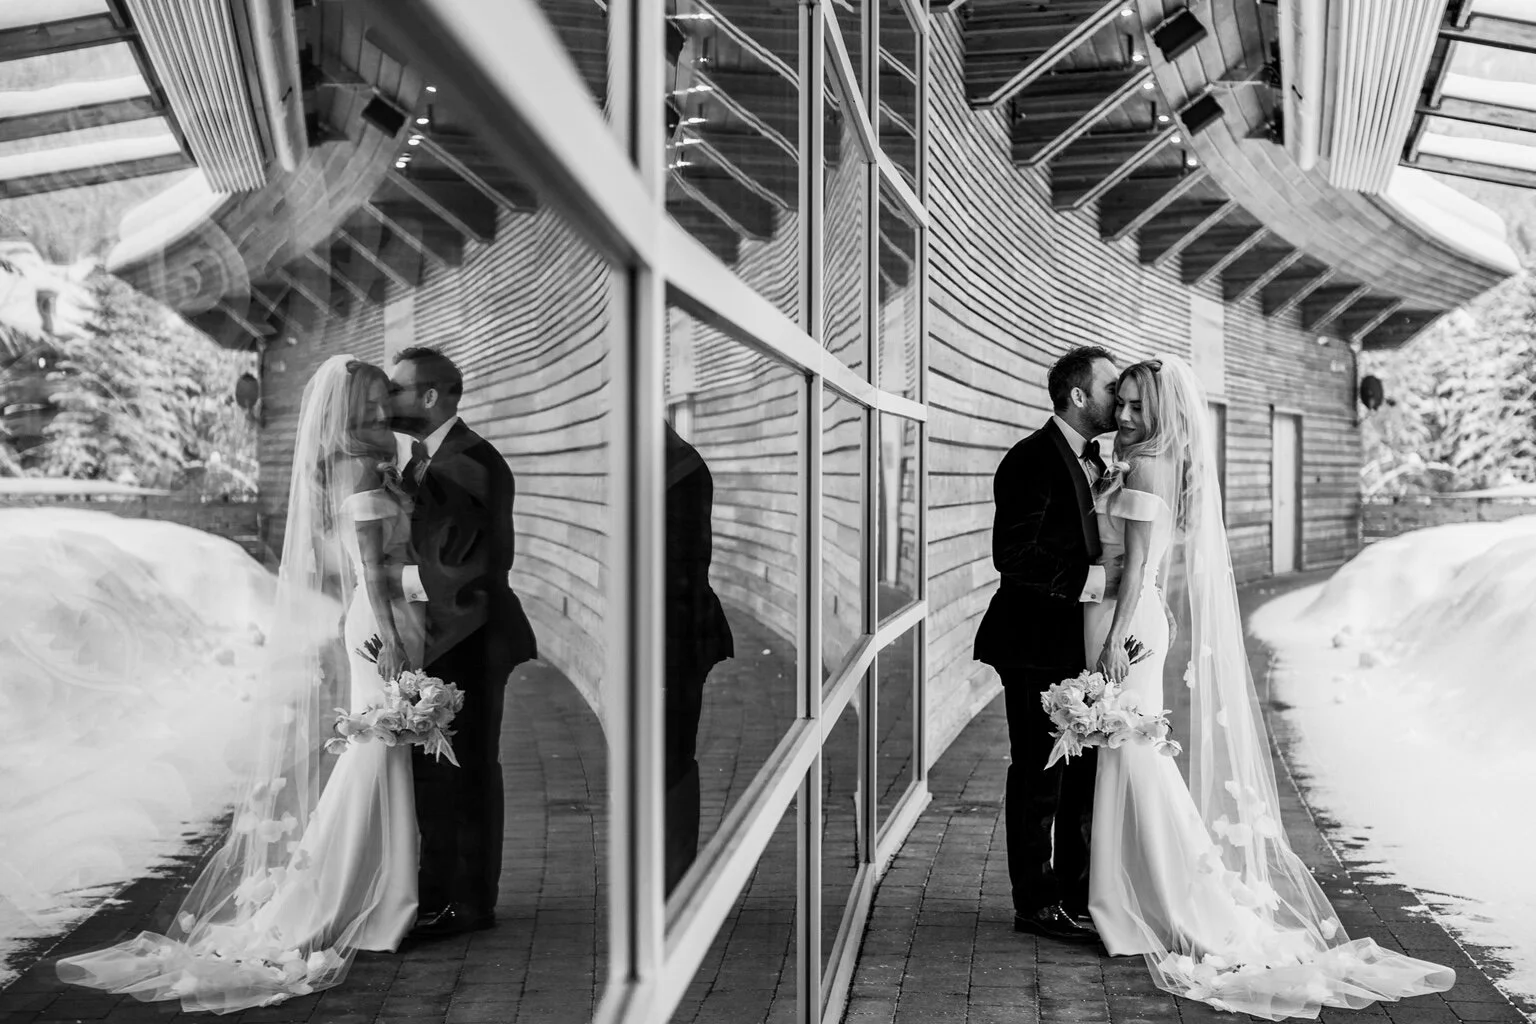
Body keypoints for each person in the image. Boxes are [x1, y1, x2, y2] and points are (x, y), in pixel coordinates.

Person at [1082, 355, 1455, 1018]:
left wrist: (1114, 638)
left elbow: (1137, 564)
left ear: (1165, 412)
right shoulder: (1146, 461)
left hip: (1123, 625)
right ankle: (1129, 899)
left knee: (1135, 760)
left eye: (1140, 407)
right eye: (1124, 405)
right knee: (1128, 757)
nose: (1128, 416)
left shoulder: (1146, 465)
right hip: (1133, 617)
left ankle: (1161, 903)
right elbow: (1149, 560)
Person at [55, 355, 423, 1012]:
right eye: (376, 394)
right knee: (376, 750)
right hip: (379, 622)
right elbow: (369, 565)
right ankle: (359, 897)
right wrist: (393, 636)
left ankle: (382, 892)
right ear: (355, 401)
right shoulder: (362, 464)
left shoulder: (367, 457)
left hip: (381, 614)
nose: (385, 403)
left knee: (382, 749)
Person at [386, 346, 537, 938]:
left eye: (397, 390)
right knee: (443, 774)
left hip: (468, 638)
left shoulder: (469, 461)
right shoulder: (426, 459)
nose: (388, 400)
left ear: (430, 396)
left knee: (465, 772)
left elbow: (474, 567)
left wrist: (381, 581)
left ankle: (467, 904)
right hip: (446, 637)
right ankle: (442, 893)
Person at [973, 345, 1121, 941]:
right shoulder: (1030, 459)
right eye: (1111, 388)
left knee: (1080, 775)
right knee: (1039, 775)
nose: (1120, 400)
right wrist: (1095, 583)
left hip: (1077, 644)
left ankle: (1075, 894)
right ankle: (1034, 904)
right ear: (1078, 395)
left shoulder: (1100, 461)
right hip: (1033, 642)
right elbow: (1013, 556)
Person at [663, 420, 733, 895]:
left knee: (672, 757)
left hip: (674, 638)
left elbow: (680, 566)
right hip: (666, 634)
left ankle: (675, 878)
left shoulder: (677, 467)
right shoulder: (664, 461)